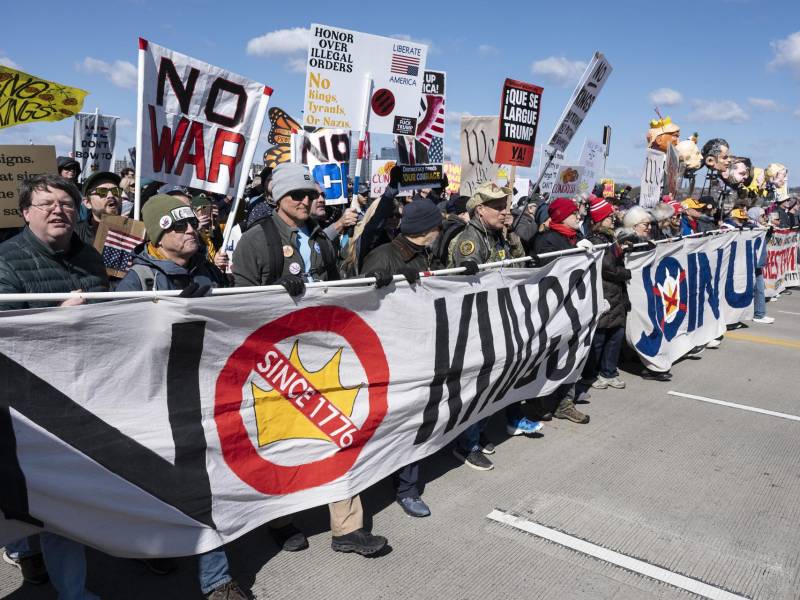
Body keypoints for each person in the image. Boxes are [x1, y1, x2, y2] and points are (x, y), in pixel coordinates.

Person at [232, 162, 388, 556]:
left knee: (341, 433)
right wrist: (273, 294)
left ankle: (347, 528)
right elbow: (236, 305)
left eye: (310, 194)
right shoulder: (256, 240)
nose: (306, 201)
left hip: (322, 353)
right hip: (276, 362)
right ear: (277, 199)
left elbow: (337, 287)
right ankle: (280, 521)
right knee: (282, 445)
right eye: (296, 195)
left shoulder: (320, 239)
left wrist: (376, 284)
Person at [114, 195, 244, 599]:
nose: (191, 231)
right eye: (177, 226)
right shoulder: (138, 280)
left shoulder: (208, 273)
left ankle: (216, 580)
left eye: (192, 225)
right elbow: (118, 345)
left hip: (203, 394)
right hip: (154, 398)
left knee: (205, 485)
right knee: (158, 483)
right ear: (158, 234)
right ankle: (156, 545)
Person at [0, 174, 108, 598]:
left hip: (83, 390)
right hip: (26, 399)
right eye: (45, 204)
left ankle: (63, 582)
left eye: (66, 202)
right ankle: (41, 564)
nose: (58, 210)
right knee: (34, 497)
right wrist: (55, 316)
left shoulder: (90, 258)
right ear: (25, 213)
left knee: (55, 497)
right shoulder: (6, 259)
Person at [449, 183, 543, 472]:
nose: (505, 211)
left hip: (499, 320)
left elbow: (514, 268)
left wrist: (512, 235)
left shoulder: (497, 237)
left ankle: (476, 432)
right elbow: (472, 285)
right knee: (480, 387)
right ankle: (466, 444)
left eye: (506, 206)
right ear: (480, 209)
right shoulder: (471, 241)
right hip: (478, 326)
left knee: (497, 385)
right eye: (498, 207)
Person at [361, 199, 444, 518]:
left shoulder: (423, 253)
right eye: (437, 226)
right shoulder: (382, 258)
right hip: (389, 357)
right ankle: (374, 478)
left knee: (414, 421)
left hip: (417, 350)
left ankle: (407, 488)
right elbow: (363, 309)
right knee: (387, 424)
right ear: (426, 229)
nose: (440, 230)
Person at [532, 197, 592, 423]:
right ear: (560, 216)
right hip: (553, 309)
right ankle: (538, 402)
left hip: (576, 306)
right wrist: (574, 253)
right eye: (574, 213)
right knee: (549, 357)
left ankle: (564, 402)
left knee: (572, 355)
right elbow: (546, 271)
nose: (579, 216)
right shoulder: (547, 240)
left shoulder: (578, 236)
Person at [581, 196, 630, 389]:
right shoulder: (596, 239)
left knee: (615, 335)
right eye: (609, 217)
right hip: (604, 292)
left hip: (615, 293)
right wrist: (626, 272)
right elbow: (606, 268)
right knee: (600, 337)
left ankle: (609, 371)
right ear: (600, 220)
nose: (613, 219)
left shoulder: (610, 237)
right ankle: (591, 373)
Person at [74, 171, 122, 246]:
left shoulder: (134, 232)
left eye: (115, 191)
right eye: (102, 192)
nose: (111, 195)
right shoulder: (74, 233)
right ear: (87, 203)